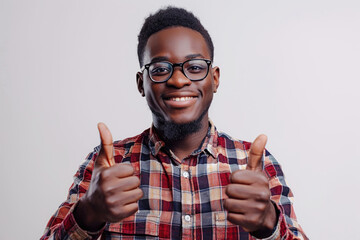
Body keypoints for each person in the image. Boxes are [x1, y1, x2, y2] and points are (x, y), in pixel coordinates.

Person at [41, 6, 307, 240]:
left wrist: (269, 225)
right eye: (159, 69)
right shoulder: (105, 168)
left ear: (214, 79)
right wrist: (88, 213)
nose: (178, 80)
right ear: (140, 84)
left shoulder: (257, 167)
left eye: (194, 67)